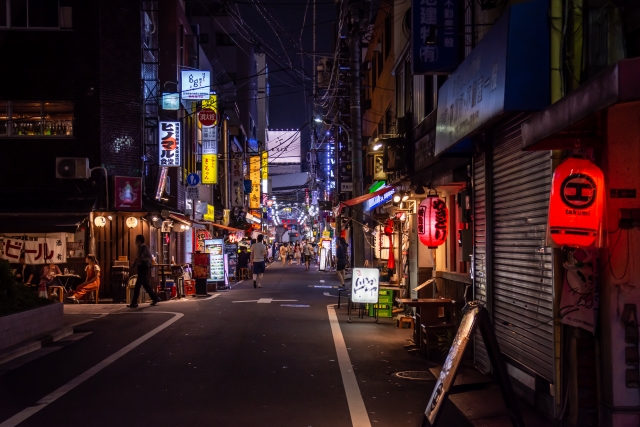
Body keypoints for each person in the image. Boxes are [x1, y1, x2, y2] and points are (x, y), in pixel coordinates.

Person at [128, 235, 160, 308]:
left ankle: (134, 302)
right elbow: (137, 259)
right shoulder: (139, 248)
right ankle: (155, 298)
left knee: (137, 285)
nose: (135, 241)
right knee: (145, 285)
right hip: (140, 267)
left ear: (139, 240)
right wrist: (132, 267)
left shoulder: (144, 248)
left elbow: (150, 257)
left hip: (143, 267)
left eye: (136, 240)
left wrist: (142, 259)